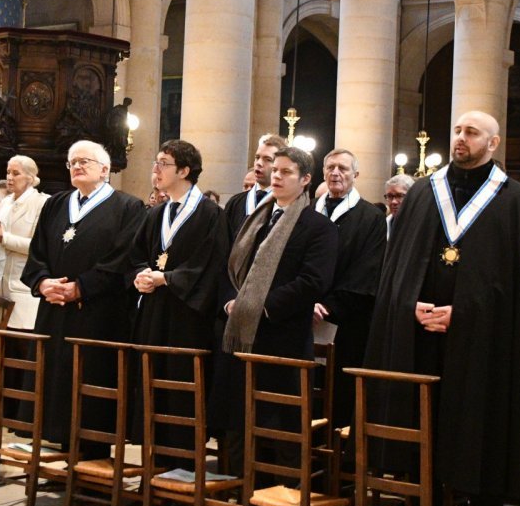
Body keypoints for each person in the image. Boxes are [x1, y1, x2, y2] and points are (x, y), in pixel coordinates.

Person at [362, 111, 520, 506]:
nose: (461, 138)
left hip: (483, 351)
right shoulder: (424, 191)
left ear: (494, 141)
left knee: (480, 442)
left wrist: (464, 314)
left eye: (471, 132)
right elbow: (397, 266)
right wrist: (410, 302)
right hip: (420, 343)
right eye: (457, 130)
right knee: (420, 434)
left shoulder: (514, 199)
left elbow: (516, 286)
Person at [216, 145, 337, 474]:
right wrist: (232, 298)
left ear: (306, 179)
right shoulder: (258, 217)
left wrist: (259, 304)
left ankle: (283, 499)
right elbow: (232, 267)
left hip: (283, 336)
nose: (277, 176)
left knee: (282, 423)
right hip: (242, 335)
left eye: (286, 172)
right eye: (275, 170)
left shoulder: (317, 227)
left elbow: (313, 281)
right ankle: (239, 492)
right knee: (239, 419)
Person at [21, 140, 145, 453]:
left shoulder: (127, 207)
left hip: (98, 315)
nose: (76, 166)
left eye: (84, 161)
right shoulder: (56, 203)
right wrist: (43, 283)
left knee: (90, 390)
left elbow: (123, 259)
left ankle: (92, 463)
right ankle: (61, 457)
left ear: (105, 169)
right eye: (72, 162)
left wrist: (81, 287)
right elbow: (37, 252)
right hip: (54, 312)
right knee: (55, 386)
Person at [128, 140, 229, 466]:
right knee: (150, 390)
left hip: (188, 319)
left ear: (184, 170)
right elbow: (136, 255)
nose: (155, 169)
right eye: (155, 162)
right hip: (154, 314)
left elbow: (213, 265)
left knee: (181, 393)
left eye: (163, 163)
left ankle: (182, 475)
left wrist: (169, 278)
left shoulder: (211, 214)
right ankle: (152, 472)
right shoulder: (156, 212)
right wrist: (140, 275)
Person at [313, 148, 385, 428]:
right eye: (330, 167)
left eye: (343, 168)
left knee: (340, 395)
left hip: (347, 321)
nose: (335, 173)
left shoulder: (370, 218)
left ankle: (338, 463)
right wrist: (306, 302)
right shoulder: (308, 211)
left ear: (356, 174)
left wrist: (328, 306)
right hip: (306, 318)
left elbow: (367, 271)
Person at [0, 156, 50, 331]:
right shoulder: (5, 202)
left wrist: (3, 237)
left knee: (20, 344)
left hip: (21, 285)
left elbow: (38, 246)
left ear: (30, 177)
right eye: (8, 172)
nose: (9, 178)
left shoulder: (42, 203)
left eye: (16, 173)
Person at [221, 134, 287, 240]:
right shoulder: (236, 202)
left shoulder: (284, 203)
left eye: (268, 159)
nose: (259, 163)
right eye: (257, 158)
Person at [383, 173, 414, 238]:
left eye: (399, 196)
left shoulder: (421, 225)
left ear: (412, 196)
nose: (394, 202)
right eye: (390, 196)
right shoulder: (383, 225)